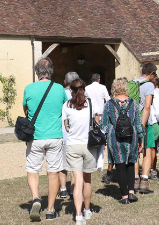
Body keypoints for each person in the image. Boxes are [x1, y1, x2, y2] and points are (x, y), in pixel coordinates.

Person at [24, 57, 69, 221]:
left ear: (37, 72)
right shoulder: (59, 89)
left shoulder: (29, 89)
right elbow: (66, 109)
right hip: (55, 136)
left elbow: (26, 110)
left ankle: (36, 198)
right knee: (53, 172)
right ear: (51, 71)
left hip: (35, 136)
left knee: (33, 169)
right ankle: (50, 209)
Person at [102, 77, 145, 204]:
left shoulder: (109, 104)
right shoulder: (133, 103)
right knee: (131, 163)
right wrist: (141, 138)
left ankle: (124, 196)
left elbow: (104, 124)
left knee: (120, 165)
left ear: (114, 88)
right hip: (132, 136)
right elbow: (138, 122)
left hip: (115, 137)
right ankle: (131, 192)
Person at [62, 79, 96, 225]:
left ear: (71, 91)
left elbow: (66, 125)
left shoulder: (67, 105)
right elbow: (96, 121)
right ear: (84, 89)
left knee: (77, 181)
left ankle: (78, 215)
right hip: (88, 144)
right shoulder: (90, 104)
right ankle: (87, 210)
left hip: (73, 145)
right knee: (87, 180)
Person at [130, 63, 157, 194]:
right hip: (145, 122)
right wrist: (143, 124)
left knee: (135, 152)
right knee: (146, 151)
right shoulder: (149, 85)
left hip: (132, 122)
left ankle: (135, 179)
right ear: (151, 74)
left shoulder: (132, 83)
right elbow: (147, 106)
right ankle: (144, 182)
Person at [58, 71, 82, 200]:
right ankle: (73, 190)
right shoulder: (81, 95)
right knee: (75, 165)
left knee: (62, 164)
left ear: (65, 82)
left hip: (62, 133)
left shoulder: (59, 94)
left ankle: (62, 189)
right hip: (76, 135)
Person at [84, 73, 110, 175]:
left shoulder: (87, 88)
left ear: (91, 79)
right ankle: (100, 161)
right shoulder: (103, 87)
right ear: (99, 80)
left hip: (90, 114)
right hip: (101, 114)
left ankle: (92, 158)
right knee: (101, 137)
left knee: (91, 134)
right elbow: (108, 100)